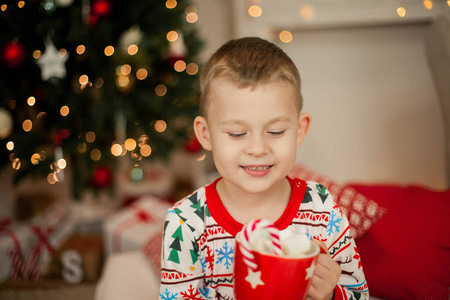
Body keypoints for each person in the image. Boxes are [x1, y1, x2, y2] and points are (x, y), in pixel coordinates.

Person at [159, 37, 368, 300]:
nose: (257, 149)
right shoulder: (185, 222)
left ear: (299, 130)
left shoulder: (322, 209)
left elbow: (358, 293)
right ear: (206, 134)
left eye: (275, 131)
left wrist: (331, 296)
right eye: (236, 134)